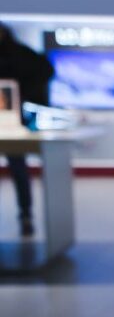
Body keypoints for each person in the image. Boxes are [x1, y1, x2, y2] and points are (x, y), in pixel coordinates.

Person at [0, 23, 54, 236]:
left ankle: (25, 214)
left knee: (18, 169)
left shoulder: (20, 54)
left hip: (14, 124)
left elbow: (45, 70)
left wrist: (23, 95)